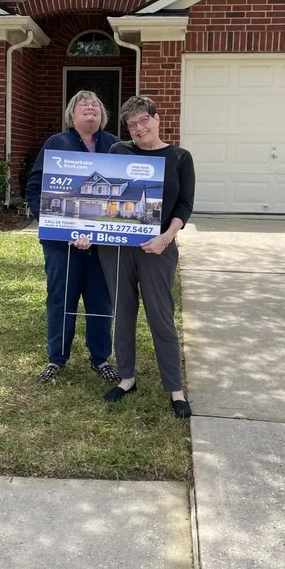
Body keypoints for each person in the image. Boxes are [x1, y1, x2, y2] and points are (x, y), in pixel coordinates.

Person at [96, 95, 195, 418]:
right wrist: (85, 231)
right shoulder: (118, 152)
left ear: (156, 118)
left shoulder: (179, 157)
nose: (138, 129)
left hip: (158, 248)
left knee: (161, 316)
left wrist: (166, 238)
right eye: (131, 125)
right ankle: (126, 378)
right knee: (123, 312)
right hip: (117, 248)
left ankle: (175, 389)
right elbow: (101, 197)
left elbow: (184, 206)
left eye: (143, 120)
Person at [25, 90, 121, 384]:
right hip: (61, 244)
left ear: (102, 114)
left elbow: (129, 186)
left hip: (104, 244)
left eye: (96, 104)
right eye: (83, 103)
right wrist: (56, 226)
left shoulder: (116, 146)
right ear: (72, 114)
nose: (90, 107)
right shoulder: (57, 144)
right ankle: (56, 358)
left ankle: (101, 358)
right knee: (60, 298)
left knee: (101, 301)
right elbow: (34, 188)